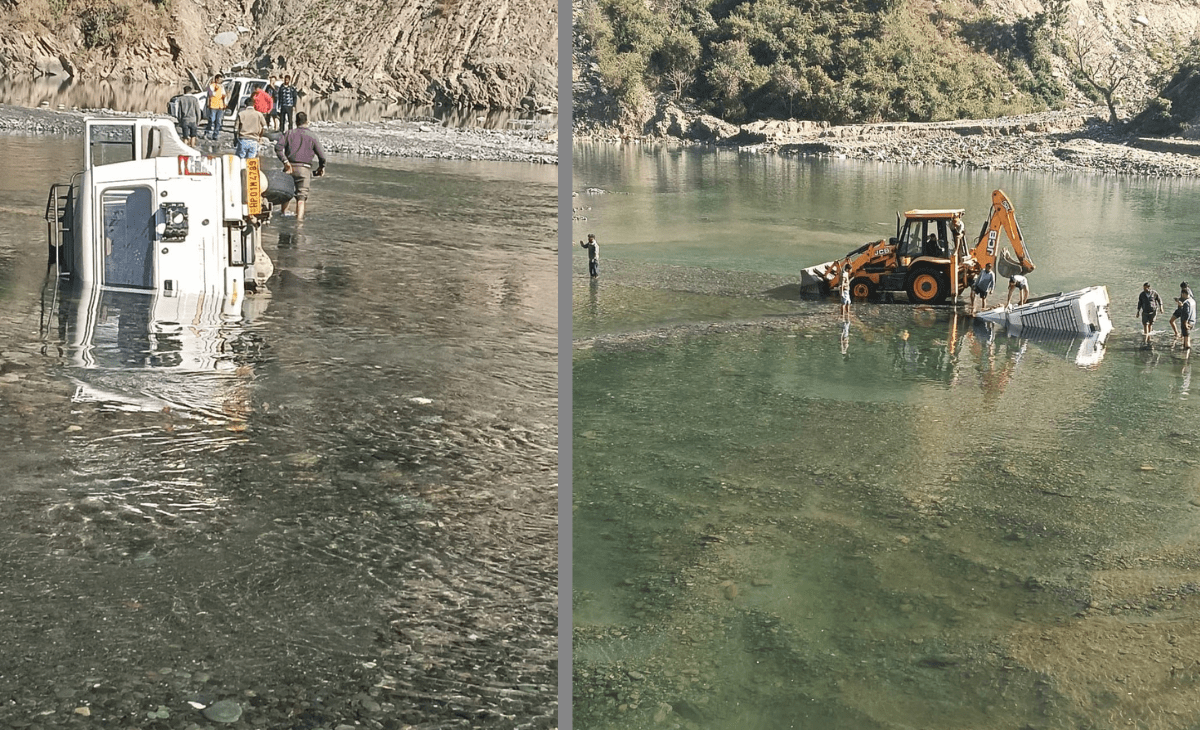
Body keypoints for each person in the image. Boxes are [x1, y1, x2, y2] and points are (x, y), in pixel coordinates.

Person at [275, 111, 327, 221]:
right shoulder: (313, 136)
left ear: (296, 122)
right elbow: (322, 156)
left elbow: (278, 148)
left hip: (289, 168)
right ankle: (299, 222)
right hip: (304, 170)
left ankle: (283, 214)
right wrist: (321, 167)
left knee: (286, 193)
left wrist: (285, 162)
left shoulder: (288, 133)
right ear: (307, 122)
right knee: (301, 198)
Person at [204, 74, 227, 141]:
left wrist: (225, 102)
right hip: (213, 106)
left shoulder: (222, 87)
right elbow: (210, 93)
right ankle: (207, 132)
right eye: (220, 79)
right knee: (212, 119)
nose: (221, 81)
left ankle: (215, 134)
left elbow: (224, 95)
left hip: (220, 106)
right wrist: (214, 89)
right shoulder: (211, 86)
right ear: (216, 79)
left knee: (218, 121)